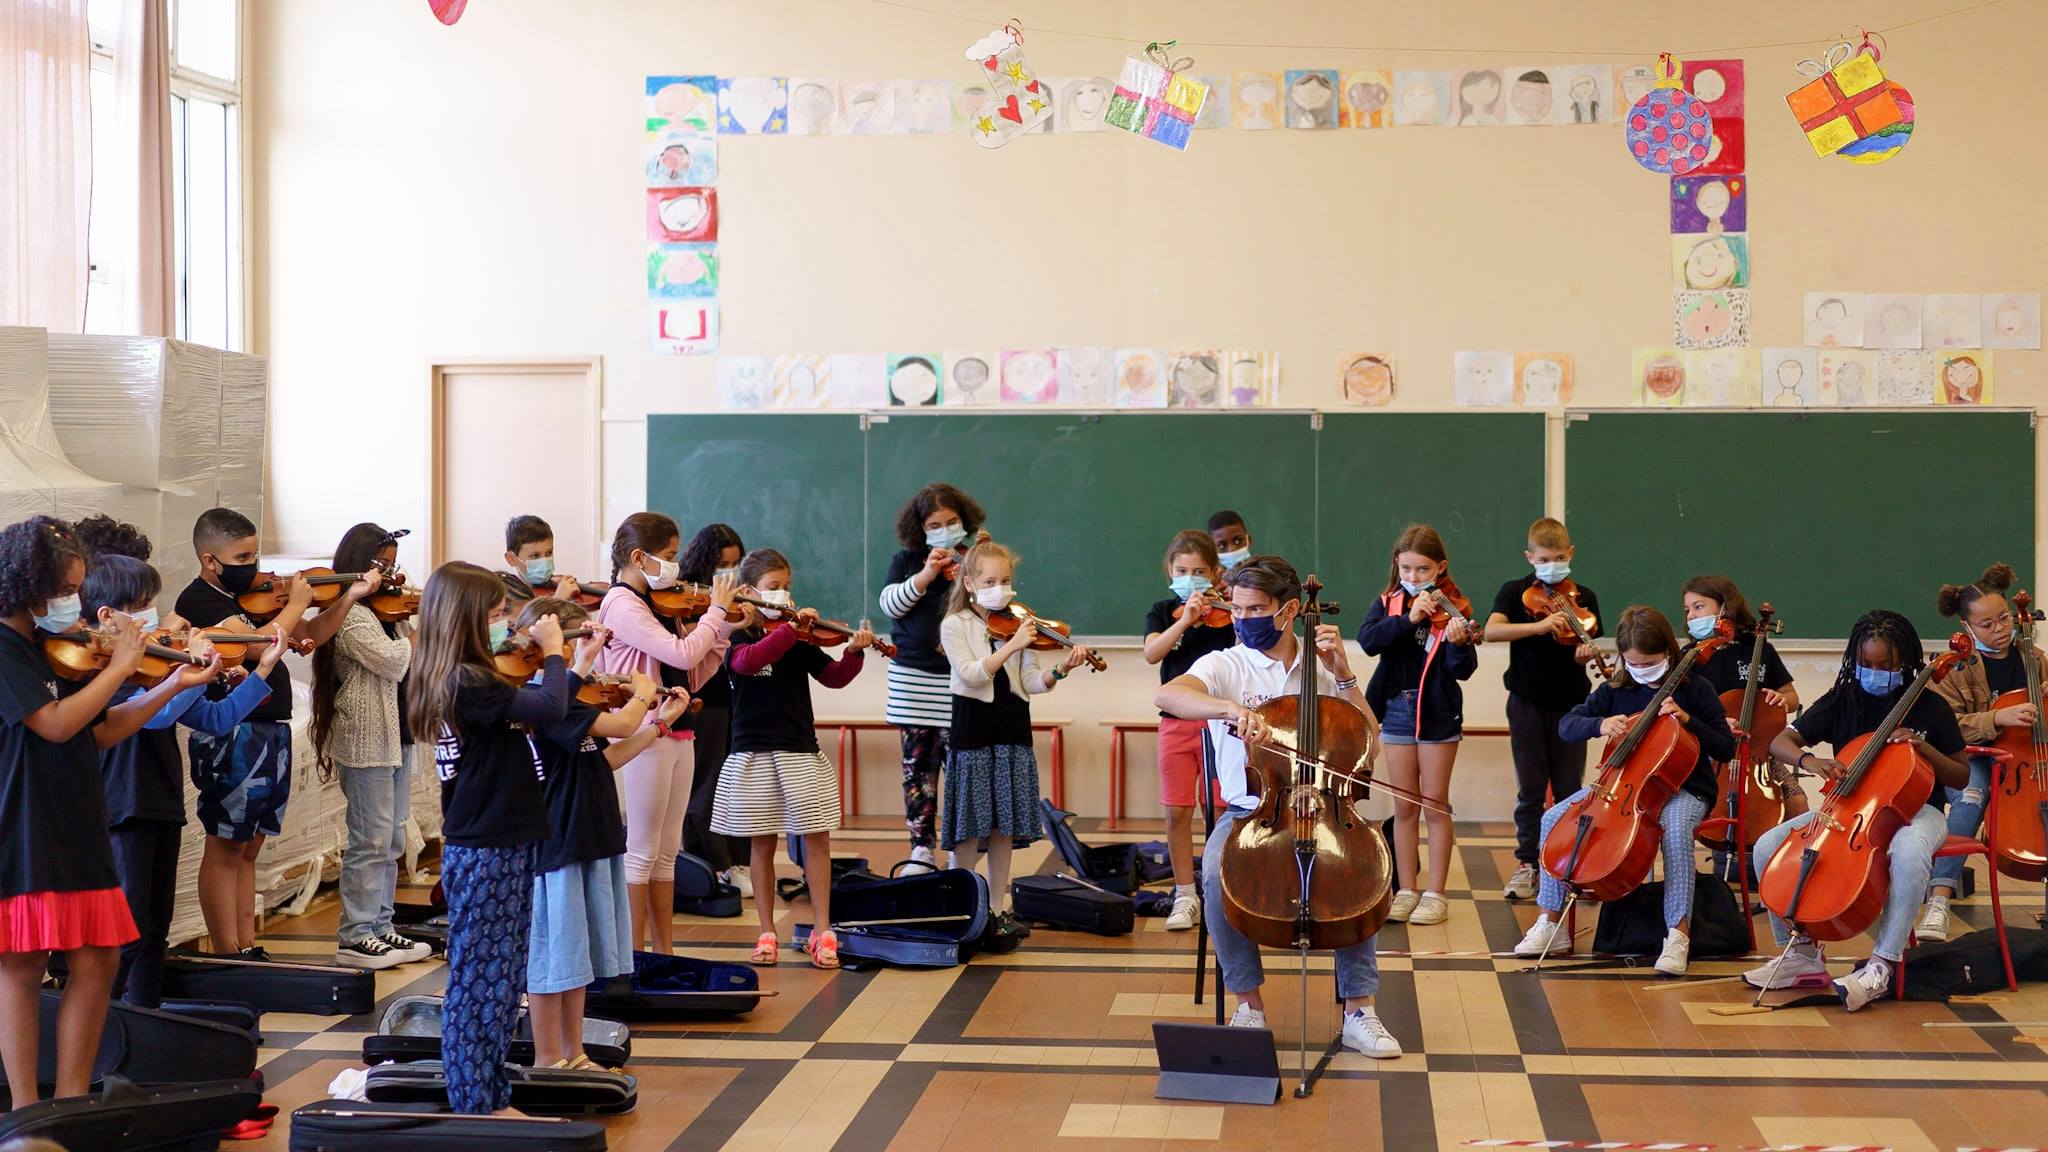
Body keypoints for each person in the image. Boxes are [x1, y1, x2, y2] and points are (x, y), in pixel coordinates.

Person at [0, 517, 217, 1104]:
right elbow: (53, 724)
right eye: (62, 590)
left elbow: (100, 728)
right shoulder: (5, 650)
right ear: (27, 585)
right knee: (21, 966)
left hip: (77, 819)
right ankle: (26, 1108)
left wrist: (170, 684)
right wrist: (121, 665)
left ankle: (73, 1100)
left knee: (97, 960)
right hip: (22, 823)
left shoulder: (57, 652)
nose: (70, 602)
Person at [1155, 555, 1401, 1057]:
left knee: (1363, 872)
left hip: (1326, 805)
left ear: (1289, 610)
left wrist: (1347, 677)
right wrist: (1228, 707)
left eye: (1256, 609)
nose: (1243, 618)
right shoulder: (1226, 664)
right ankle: (1249, 1005)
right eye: (1237, 608)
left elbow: (1369, 742)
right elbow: (1169, 694)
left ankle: (1360, 1011)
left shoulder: (1324, 664)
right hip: (1253, 808)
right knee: (1212, 876)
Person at [73, 521, 278, 1007]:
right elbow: (151, 716)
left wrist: (260, 668)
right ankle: (109, 1036)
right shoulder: (99, 669)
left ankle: (145, 1028)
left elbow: (214, 717)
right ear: (105, 613)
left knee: (152, 932)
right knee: (124, 934)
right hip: (122, 805)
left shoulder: (149, 664)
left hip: (161, 798)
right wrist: (181, 675)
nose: (153, 616)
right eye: (140, 604)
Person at [408, 561, 586, 1113]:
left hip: (502, 838)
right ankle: (477, 1101)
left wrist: (566, 658)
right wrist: (554, 650)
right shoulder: (466, 680)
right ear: (463, 619)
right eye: (495, 615)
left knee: (503, 977)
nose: (505, 624)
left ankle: (489, 1092)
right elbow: (549, 707)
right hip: (486, 844)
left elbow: (536, 709)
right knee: (483, 980)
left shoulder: (478, 677)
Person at [1748, 610, 1969, 1010]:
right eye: (1867, 664)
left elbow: (1961, 775)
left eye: (1886, 666)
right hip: (1847, 810)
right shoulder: (1842, 698)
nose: (1875, 672)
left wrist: (1925, 749)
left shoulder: (1930, 707)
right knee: (1767, 846)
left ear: (1906, 661)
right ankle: (1801, 957)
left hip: (1917, 811)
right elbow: (1782, 741)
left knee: (1909, 850)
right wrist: (1810, 762)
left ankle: (1883, 963)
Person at [174, 507, 371, 957]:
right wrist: (296, 605)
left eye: (255, 552)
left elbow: (312, 634)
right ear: (210, 560)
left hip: (269, 727)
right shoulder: (198, 601)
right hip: (232, 731)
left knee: (250, 845)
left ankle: (246, 943)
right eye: (242, 555)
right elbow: (252, 646)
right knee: (226, 842)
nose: (254, 564)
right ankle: (228, 950)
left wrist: (346, 598)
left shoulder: (260, 600)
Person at [1512, 606, 1734, 975]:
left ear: (1667, 652)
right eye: (1633, 663)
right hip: (1619, 787)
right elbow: (1568, 725)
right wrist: (1599, 724)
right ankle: (1551, 923)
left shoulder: (1695, 689)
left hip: (1684, 789)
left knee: (1676, 832)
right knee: (1552, 817)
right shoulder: (1616, 689)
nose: (1642, 670)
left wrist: (1688, 720)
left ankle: (1678, 935)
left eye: (1649, 662)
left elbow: (1725, 746)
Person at [515, 596, 688, 1069]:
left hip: (594, 836)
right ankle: (549, 1056)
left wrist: (659, 725)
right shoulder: (548, 697)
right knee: (554, 960)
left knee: (579, 961)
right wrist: (641, 692)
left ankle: (575, 1052)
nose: (579, 652)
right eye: (575, 641)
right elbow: (621, 720)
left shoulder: (575, 693)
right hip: (562, 841)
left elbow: (603, 759)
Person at [715, 548, 876, 970]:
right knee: (761, 844)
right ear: (748, 592)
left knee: (816, 839)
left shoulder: (800, 638)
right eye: (773, 588)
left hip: (798, 749)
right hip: (752, 751)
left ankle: (824, 930)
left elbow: (834, 677)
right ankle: (766, 931)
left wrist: (855, 653)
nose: (784, 595)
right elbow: (749, 664)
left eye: (787, 587)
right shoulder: (737, 635)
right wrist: (789, 629)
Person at [594, 513, 738, 953]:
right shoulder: (622, 604)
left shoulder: (659, 602)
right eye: (670, 557)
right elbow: (677, 648)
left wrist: (725, 626)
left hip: (678, 727)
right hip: (642, 731)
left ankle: (664, 953)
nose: (676, 567)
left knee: (666, 850)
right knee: (640, 849)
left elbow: (690, 671)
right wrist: (715, 612)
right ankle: (632, 957)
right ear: (639, 557)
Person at [940, 541, 1092, 943]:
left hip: (1012, 731)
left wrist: (1061, 668)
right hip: (973, 731)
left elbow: (1031, 683)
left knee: (1003, 827)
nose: (1000, 588)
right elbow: (973, 674)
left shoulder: (1018, 622)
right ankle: (962, 910)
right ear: (970, 583)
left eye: (1005, 580)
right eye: (990, 581)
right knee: (969, 829)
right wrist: (1013, 644)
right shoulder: (956, 624)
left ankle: (996, 908)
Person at [311, 523, 432, 970]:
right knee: (371, 839)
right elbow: (393, 660)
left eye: (393, 563)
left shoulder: (390, 614)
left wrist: (410, 628)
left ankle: (382, 926)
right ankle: (356, 934)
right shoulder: (353, 615)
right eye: (382, 563)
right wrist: (418, 637)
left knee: (393, 838)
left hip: (397, 736)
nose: (391, 572)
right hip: (366, 741)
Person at [1355, 525, 1480, 927]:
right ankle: (1406, 889)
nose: (1413, 577)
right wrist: (1409, 619)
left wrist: (1459, 643)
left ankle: (1436, 894)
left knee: (1433, 802)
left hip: (1437, 711)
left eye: (1422, 570)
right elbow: (1369, 641)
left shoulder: (1455, 606)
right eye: (1406, 568)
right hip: (1394, 709)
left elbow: (1463, 671)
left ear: (1440, 567)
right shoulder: (1388, 603)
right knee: (1404, 805)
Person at [1485, 517, 1603, 900]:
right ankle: (1528, 864)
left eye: (1558, 557)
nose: (1551, 564)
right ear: (1530, 557)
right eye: (1543, 558)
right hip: (1526, 702)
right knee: (1531, 789)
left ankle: (1568, 864)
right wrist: (1538, 627)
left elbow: (1582, 649)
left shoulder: (1584, 597)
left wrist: (1583, 654)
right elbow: (1491, 631)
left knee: (1570, 788)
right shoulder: (1515, 592)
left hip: (1572, 705)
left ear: (1570, 554)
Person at [1924, 563, 2042, 941]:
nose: (2001, 629)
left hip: (2027, 756)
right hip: (1973, 756)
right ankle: (1939, 900)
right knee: (1972, 796)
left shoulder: (2034, 658)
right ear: (1967, 628)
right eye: (1987, 624)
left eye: (2005, 618)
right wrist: (1998, 717)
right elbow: (1950, 725)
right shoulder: (1956, 668)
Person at [879, 485, 987, 870]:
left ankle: (962, 850)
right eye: (935, 525)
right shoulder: (907, 560)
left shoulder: (975, 561)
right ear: (920, 529)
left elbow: (994, 608)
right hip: (912, 684)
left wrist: (968, 577)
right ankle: (921, 850)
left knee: (961, 771)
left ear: (965, 521)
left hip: (962, 684)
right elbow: (890, 604)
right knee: (918, 773)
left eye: (952, 522)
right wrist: (927, 573)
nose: (945, 529)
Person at [1679, 575, 1805, 879]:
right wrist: (1716, 722)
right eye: (1687, 610)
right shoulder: (1692, 656)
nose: (1692, 615)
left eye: (1699, 606)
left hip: (1760, 753)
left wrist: (1780, 699)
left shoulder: (1759, 647)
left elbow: (1792, 697)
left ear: (1724, 607)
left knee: (1796, 797)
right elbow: (1680, 710)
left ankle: (1788, 872)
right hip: (1711, 752)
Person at [1141, 530, 1235, 931]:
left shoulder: (1229, 614)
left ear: (1214, 573)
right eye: (1183, 571)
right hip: (1176, 726)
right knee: (1176, 811)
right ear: (1170, 571)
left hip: (1218, 725)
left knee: (1220, 810)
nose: (1191, 579)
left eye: (1200, 571)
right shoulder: (1164, 611)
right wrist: (1186, 621)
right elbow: (1152, 653)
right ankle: (1184, 894)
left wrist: (1226, 607)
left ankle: (1225, 890)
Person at [675, 522, 750, 889]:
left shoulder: (736, 594)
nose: (728, 573)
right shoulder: (682, 596)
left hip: (732, 696)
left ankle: (734, 864)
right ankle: (712, 865)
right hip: (705, 698)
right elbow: (686, 642)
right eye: (721, 564)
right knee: (705, 785)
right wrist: (722, 619)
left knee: (732, 784)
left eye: (735, 563)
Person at [498, 515, 582, 605]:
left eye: (549, 553)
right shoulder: (507, 600)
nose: (545, 562)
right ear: (511, 559)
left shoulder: (556, 585)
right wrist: (557, 600)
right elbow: (527, 618)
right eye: (535, 556)